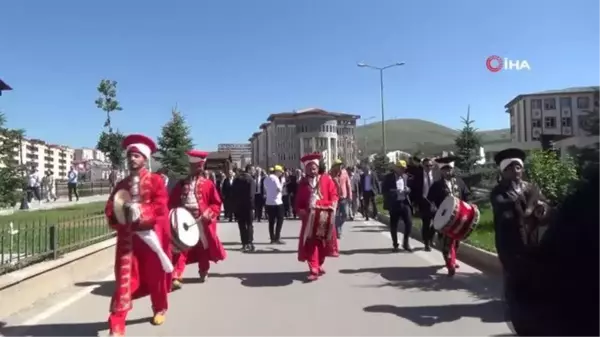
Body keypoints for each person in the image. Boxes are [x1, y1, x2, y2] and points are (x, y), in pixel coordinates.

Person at [104, 134, 172, 337]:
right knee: (124, 281)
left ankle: (159, 308)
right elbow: (110, 206)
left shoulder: (156, 181)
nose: (132, 159)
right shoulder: (121, 184)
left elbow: (161, 206)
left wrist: (141, 211)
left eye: (136, 156)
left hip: (150, 237)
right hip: (128, 240)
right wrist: (116, 215)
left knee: (156, 277)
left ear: (145, 159)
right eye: (130, 156)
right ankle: (116, 325)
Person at [490, 148, 553, 335]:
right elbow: (502, 208)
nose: (515, 171)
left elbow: (545, 206)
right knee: (513, 275)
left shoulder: (531, 188)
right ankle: (514, 307)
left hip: (530, 240)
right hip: (509, 242)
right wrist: (525, 209)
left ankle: (530, 306)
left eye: (518, 167)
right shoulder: (498, 192)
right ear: (503, 171)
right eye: (510, 168)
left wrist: (543, 208)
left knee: (530, 274)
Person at [169, 150, 226, 288]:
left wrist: (209, 212)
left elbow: (216, 203)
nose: (195, 169)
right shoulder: (182, 184)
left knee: (202, 246)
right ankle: (176, 275)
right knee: (182, 247)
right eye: (193, 166)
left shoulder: (208, 184)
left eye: (198, 166)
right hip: (185, 221)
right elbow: (171, 202)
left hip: (201, 220)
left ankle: (204, 270)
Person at [295, 153, 339, 281]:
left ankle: (319, 263)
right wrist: (301, 211)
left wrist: (332, 204)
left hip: (324, 217)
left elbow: (334, 194)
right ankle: (313, 267)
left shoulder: (326, 179)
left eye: (314, 168)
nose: (312, 171)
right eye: (309, 168)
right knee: (311, 242)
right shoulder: (303, 184)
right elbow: (298, 202)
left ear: (317, 168)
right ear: (305, 170)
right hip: (309, 219)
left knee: (323, 242)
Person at [426, 156, 470, 276]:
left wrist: (469, 206)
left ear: (452, 169)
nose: (447, 172)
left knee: (456, 242)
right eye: (445, 170)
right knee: (446, 242)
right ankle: (450, 264)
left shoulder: (459, 182)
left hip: (459, 217)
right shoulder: (437, 185)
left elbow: (466, 196)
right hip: (444, 219)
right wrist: (434, 211)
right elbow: (430, 201)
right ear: (441, 171)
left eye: (449, 169)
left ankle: (452, 259)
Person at [382, 160, 414, 252]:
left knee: (409, 223)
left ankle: (406, 242)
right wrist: (394, 191)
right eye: (401, 168)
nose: (403, 170)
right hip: (394, 203)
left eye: (404, 168)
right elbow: (384, 190)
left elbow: (410, 189)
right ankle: (395, 244)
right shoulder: (388, 177)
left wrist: (407, 190)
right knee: (394, 225)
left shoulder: (405, 177)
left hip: (404, 202)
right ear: (396, 168)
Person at [408, 158, 436, 251]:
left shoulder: (435, 176)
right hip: (423, 202)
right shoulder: (418, 176)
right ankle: (426, 243)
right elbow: (413, 190)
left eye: (431, 166)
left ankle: (430, 237)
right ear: (423, 166)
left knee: (437, 222)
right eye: (427, 166)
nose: (429, 167)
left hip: (435, 202)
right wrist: (414, 203)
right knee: (426, 223)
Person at [232, 164, 256, 252]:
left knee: (241, 225)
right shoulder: (250, 180)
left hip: (238, 206)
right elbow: (251, 195)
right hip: (248, 206)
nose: (254, 172)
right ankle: (249, 243)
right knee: (249, 224)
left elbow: (233, 194)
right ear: (249, 170)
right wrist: (252, 207)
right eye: (253, 170)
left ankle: (244, 243)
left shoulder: (237, 179)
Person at [330, 159, 352, 238]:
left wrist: (350, 196)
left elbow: (348, 184)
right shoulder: (331, 174)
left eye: (340, 165)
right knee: (336, 215)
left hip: (343, 197)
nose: (339, 167)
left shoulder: (344, 173)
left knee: (345, 214)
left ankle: (338, 226)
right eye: (338, 165)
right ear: (334, 166)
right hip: (334, 197)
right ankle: (338, 231)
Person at [264, 165, 285, 244]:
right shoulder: (276, 179)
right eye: (280, 172)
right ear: (277, 171)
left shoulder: (266, 178)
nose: (281, 174)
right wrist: (282, 182)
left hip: (268, 202)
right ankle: (277, 237)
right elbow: (279, 189)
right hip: (277, 202)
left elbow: (266, 188)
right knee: (280, 220)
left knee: (271, 221)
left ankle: (272, 238)